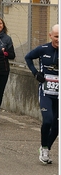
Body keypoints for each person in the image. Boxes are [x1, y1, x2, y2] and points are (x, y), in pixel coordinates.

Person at [25, 24, 59, 164]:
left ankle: (46, 148)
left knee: (57, 127)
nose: (59, 40)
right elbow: (28, 58)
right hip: (46, 92)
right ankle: (44, 148)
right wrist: (35, 73)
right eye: (56, 37)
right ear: (51, 36)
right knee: (48, 120)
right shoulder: (43, 49)